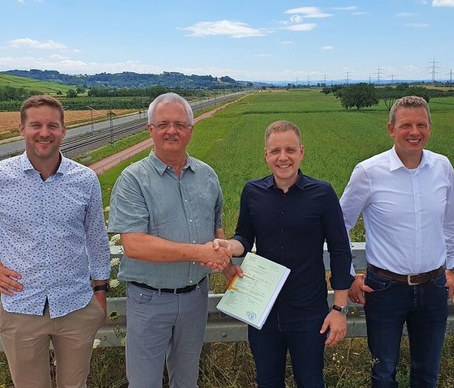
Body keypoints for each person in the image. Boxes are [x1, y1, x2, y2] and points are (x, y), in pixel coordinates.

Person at [340, 95, 454, 388]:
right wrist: (348, 277)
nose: (414, 132)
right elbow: (340, 226)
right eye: (406, 125)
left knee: (427, 373)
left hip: (434, 286)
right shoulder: (368, 172)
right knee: (383, 372)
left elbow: (452, 221)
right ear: (390, 129)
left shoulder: (443, 167)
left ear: (430, 128)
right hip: (384, 288)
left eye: (421, 125)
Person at [107, 92, 230, 388]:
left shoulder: (207, 176)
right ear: (150, 129)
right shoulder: (133, 180)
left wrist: (227, 265)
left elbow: (217, 230)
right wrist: (197, 251)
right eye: (163, 124)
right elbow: (134, 244)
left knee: (187, 381)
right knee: (144, 383)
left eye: (179, 123)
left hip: (196, 297)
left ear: (191, 129)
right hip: (149, 299)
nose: (171, 130)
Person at [218, 120, 354, 387]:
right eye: (275, 151)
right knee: (267, 381)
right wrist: (231, 247)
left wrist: (339, 308)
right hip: (262, 308)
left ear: (301, 152)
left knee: (311, 381)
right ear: (266, 155)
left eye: (290, 150)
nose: (283, 157)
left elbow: (340, 250)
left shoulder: (323, 193)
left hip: (308, 310)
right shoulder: (252, 192)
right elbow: (244, 236)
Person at [0, 95, 110, 387]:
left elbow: (97, 238)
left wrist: (100, 293)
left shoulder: (85, 179)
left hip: (75, 304)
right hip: (20, 305)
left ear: (64, 130)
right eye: (36, 125)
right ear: (21, 129)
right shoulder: (1, 177)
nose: (44, 133)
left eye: (53, 125)